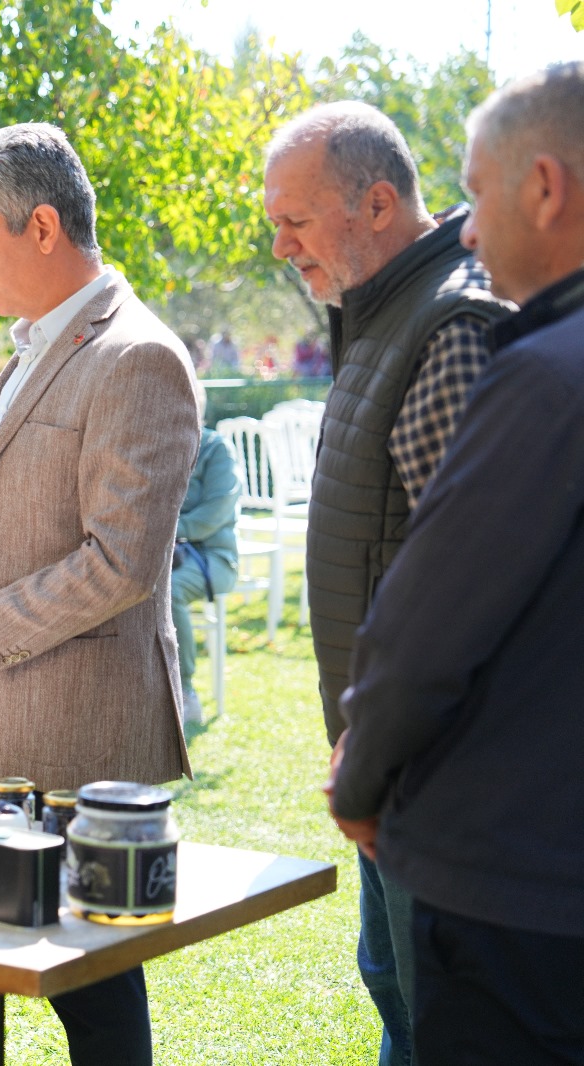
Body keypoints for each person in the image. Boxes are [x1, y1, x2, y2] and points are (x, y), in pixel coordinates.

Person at [0, 123, 197, 1065]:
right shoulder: (34, 345)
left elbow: (121, 565)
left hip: (76, 740)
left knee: (96, 1005)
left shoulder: (137, 357)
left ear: (41, 227)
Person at [326, 61, 584, 1062]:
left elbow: (425, 626)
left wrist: (361, 779)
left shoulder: (542, 376)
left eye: (475, 194)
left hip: (520, 893)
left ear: (546, 188)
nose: (468, 230)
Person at [263, 101, 510, 1066]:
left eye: (295, 220)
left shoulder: (450, 324)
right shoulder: (380, 312)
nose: (281, 246)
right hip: (387, 766)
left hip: (441, 781)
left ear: (375, 202)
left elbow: (476, 586)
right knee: (394, 992)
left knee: (436, 1021)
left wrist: (390, 749)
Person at [172, 382, 239, 726]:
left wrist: (166, 533)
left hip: (212, 557)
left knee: (168, 592)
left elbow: (216, 512)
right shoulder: (158, 447)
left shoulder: (216, 448)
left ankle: (184, 692)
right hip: (162, 557)